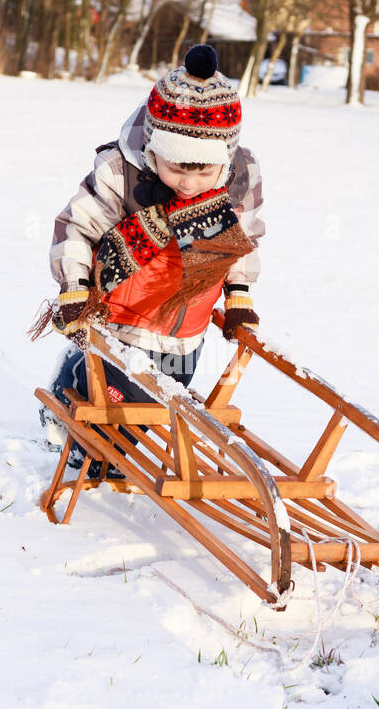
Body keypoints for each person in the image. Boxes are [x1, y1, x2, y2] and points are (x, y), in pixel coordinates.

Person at [34, 45, 264, 478]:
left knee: (154, 399)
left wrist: (239, 295)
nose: (189, 185)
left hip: (185, 329)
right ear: (154, 148)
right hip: (121, 320)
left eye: (204, 174)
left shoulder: (238, 179)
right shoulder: (121, 172)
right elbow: (77, 227)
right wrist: (74, 286)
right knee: (104, 394)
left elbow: (243, 239)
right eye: (177, 170)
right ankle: (72, 426)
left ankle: (123, 446)